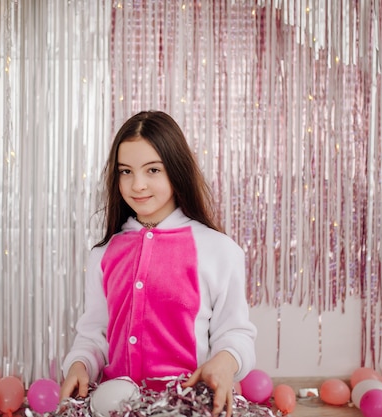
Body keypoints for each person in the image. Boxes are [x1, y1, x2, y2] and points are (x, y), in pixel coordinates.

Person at [60, 110, 257, 417]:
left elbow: (235, 332)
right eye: (126, 171)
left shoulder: (218, 250)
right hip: (114, 407)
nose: (137, 185)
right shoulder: (104, 254)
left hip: (188, 407)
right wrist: (80, 363)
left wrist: (225, 360)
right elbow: (94, 333)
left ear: (176, 171)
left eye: (152, 170)